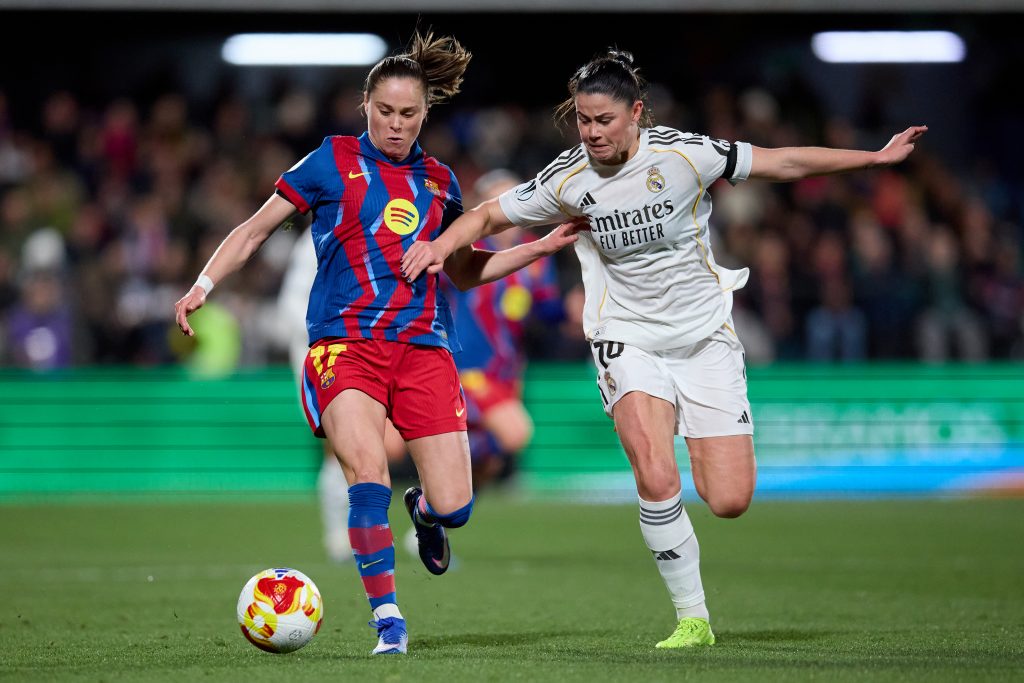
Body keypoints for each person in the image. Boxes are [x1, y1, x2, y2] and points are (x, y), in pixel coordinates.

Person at [402, 48, 927, 649]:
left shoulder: (685, 155)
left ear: (636, 114)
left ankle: (694, 540)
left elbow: (782, 160)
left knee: (729, 499)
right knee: (654, 471)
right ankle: (692, 619)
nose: (592, 133)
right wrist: (440, 247)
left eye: (604, 120)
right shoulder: (567, 178)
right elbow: (487, 216)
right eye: (583, 120)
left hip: (703, 337)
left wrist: (873, 158)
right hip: (625, 335)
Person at [174, 30, 585, 655]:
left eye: (409, 113)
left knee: (456, 506)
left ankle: (426, 512)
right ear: (365, 105)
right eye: (385, 111)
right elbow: (255, 230)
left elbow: (464, 270)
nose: (396, 125)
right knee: (366, 476)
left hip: (422, 349)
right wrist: (204, 284)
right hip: (344, 347)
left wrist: (539, 247)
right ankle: (388, 621)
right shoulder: (329, 161)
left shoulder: (440, 182)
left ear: (426, 113)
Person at [277, 226, 408, 564]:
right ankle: (340, 532)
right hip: (327, 348)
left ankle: (366, 526)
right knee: (339, 446)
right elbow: (291, 303)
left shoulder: (375, 225)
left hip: (373, 346)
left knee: (383, 445)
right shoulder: (319, 236)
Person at [442, 169, 566, 488]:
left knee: (489, 462)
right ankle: (438, 478)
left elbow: (546, 308)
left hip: (507, 368)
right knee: (514, 433)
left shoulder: (536, 252)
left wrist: (570, 310)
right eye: (496, 202)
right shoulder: (465, 248)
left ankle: (440, 507)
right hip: (465, 364)